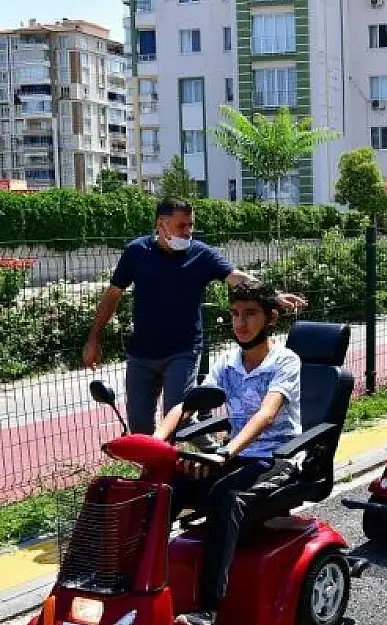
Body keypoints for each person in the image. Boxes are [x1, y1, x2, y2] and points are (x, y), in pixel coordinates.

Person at [83, 197, 305, 435]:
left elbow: (238, 278)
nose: (188, 232)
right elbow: (112, 295)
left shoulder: (201, 255)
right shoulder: (136, 252)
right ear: (161, 224)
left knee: (177, 418)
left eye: (191, 225)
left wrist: (274, 295)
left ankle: (212, 458)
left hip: (183, 351)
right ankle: (155, 470)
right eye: (182, 226)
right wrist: (94, 338)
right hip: (141, 354)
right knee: (139, 428)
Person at [153, 283, 302, 625]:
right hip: (236, 457)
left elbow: (265, 415)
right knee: (169, 486)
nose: (241, 323)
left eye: (250, 314)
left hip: (277, 458)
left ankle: (207, 608)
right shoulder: (228, 361)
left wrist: (227, 451)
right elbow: (187, 404)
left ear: (271, 318)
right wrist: (157, 440)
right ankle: (143, 580)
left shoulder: (285, 361)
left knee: (226, 497)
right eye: (235, 314)